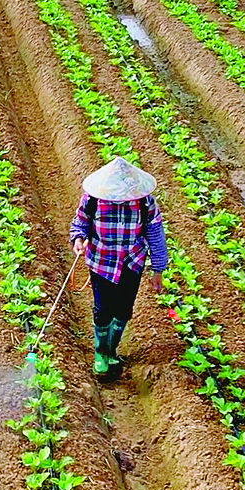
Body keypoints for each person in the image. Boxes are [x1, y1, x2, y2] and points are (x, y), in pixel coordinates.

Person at [69, 157, 168, 378]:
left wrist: (158, 269)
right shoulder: (92, 200)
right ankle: (100, 352)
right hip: (101, 263)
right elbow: (80, 223)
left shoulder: (145, 203)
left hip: (132, 263)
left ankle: (112, 349)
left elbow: (155, 235)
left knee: (124, 309)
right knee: (103, 309)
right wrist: (78, 240)